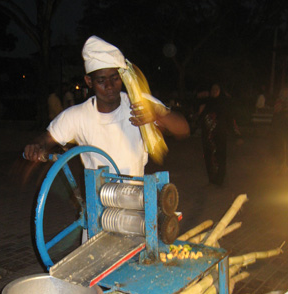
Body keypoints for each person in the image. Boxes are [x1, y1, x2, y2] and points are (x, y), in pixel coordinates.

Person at [24, 36, 190, 178]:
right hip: (98, 204)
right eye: (101, 80)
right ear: (89, 82)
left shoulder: (140, 105)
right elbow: (47, 139)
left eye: (115, 78)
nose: (110, 86)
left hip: (137, 200)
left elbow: (184, 129)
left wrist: (157, 114)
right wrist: (37, 146)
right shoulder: (77, 116)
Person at [199, 83, 242, 186]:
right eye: (212, 89)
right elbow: (201, 118)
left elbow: (230, 120)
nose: (214, 91)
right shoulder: (208, 103)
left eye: (216, 89)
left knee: (220, 157)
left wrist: (237, 135)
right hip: (208, 136)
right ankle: (212, 179)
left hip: (220, 136)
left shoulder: (225, 103)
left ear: (220, 91)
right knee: (209, 157)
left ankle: (220, 180)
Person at [271, 86, 288, 172]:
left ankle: (283, 165)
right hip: (281, 127)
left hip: (284, 127)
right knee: (281, 146)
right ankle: (281, 165)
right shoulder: (279, 102)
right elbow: (276, 112)